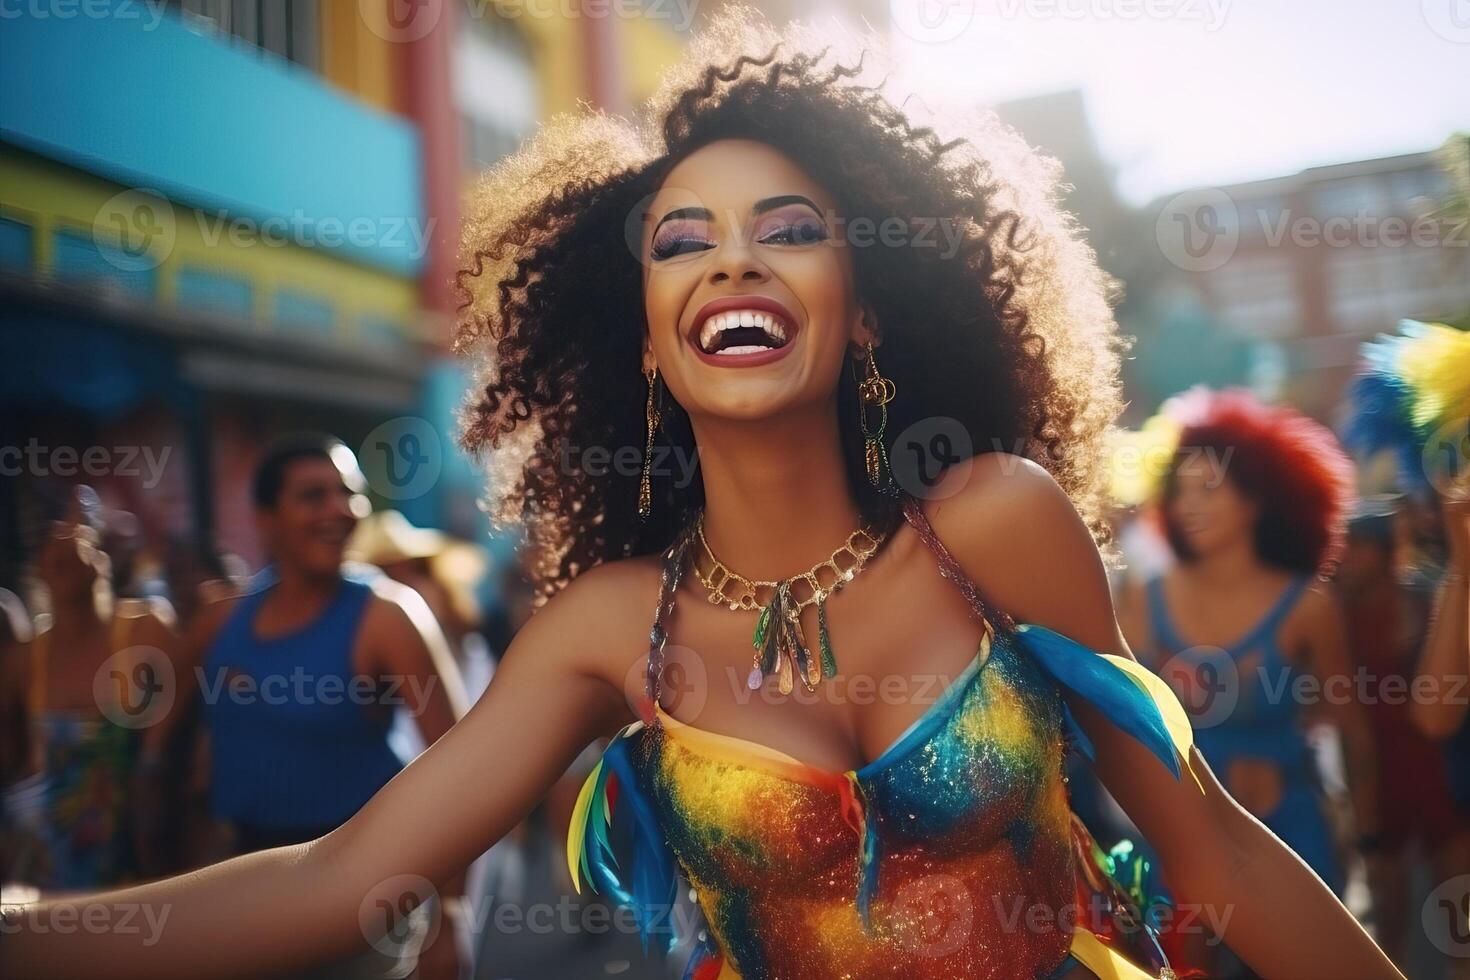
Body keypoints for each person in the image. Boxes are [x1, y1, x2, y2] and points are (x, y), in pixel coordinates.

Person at [2, 10, 1402, 979]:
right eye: (684, 245)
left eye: (787, 231)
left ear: (864, 314)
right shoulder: (615, 627)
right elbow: (335, 880)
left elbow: (1207, 841)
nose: (733, 264)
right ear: (648, 342)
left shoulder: (992, 521)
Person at [167, 435, 471, 979]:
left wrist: (449, 914)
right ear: (265, 519)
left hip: (360, 897)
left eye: (349, 494)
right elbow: (162, 745)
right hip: (240, 890)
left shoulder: (388, 616)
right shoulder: (219, 623)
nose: (340, 510)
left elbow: (464, 767)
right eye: (313, 495)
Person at [1116, 389, 1379, 904]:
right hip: (1179, 844)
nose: (1188, 506)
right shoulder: (1143, 600)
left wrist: (1368, 835)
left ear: (1257, 498)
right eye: (1180, 491)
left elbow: (1351, 728)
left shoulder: (1309, 607)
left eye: (1209, 490)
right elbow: (1115, 727)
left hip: (1293, 835)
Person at [0, 486, 179, 892]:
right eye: (50, 546)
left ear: (105, 557)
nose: (63, 546)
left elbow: (179, 743)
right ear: (37, 567)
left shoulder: (144, 630)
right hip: (48, 865)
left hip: (140, 858)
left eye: (78, 538)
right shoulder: (26, 659)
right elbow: (11, 762)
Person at [1338, 497, 1470, 970]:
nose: (1347, 557)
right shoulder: (1334, 614)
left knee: (1460, 928)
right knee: (1386, 930)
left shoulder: (1430, 598)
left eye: (1359, 546)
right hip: (1381, 780)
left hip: (1441, 773)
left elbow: (1439, 710)